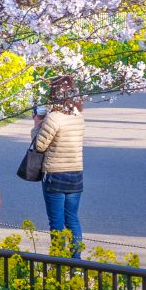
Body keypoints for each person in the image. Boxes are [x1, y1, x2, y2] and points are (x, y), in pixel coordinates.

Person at [30, 76, 85, 255]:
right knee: (73, 220)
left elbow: (39, 146)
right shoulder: (79, 117)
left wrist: (37, 125)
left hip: (55, 175)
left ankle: (59, 262)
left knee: (56, 223)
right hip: (76, 175)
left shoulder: (54, 118)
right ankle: (76, 261)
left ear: (54, 94)